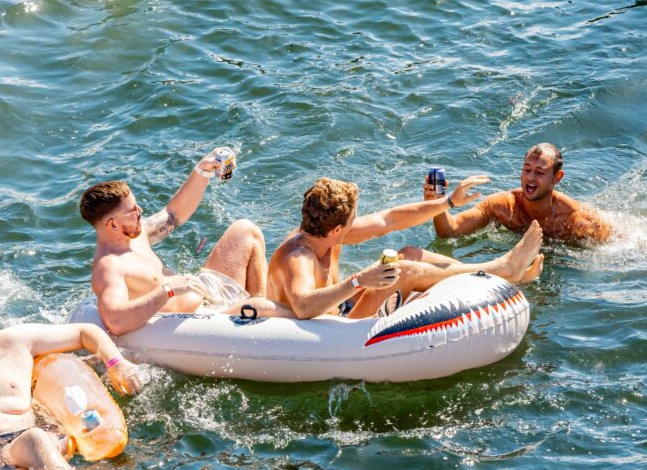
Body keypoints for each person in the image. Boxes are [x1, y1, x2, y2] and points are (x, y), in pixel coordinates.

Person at [80, 148, 291, 336]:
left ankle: (260, 327)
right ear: (113, 225)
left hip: (205, 292)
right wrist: (168, 290)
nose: (140, 212)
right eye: (133, 211)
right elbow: (115, 321)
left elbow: (173, 213)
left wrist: (204, 168)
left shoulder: (136, 233)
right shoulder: (109, 266)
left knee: (246, 231)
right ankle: (270, 314)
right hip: (200, 318)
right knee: (261, 306)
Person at [267, 177, 544, 320]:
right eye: (352, 218)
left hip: (339, 312)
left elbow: (391, 219)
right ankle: (502, 269)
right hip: (326, 335)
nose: (356, 221)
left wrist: (448, 203)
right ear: (337, 228)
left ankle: (504, 272)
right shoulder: (299, 256)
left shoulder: (328, 235)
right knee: (404, 270)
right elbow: (303, 306)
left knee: (410, 253)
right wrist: (359, 280)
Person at [0, 322, 141, 470]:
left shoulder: (15, 341)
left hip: (20, 442)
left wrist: (115, 363)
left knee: (36, 439)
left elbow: (84, 332)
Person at [426, 143, 613, 243]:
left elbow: (613, 245)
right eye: (527, 169)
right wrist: (438, 202)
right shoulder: (502, 206)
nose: (530, 178)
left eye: (540, 172)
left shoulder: (574, 218)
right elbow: (450, 231)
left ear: (557, 178)